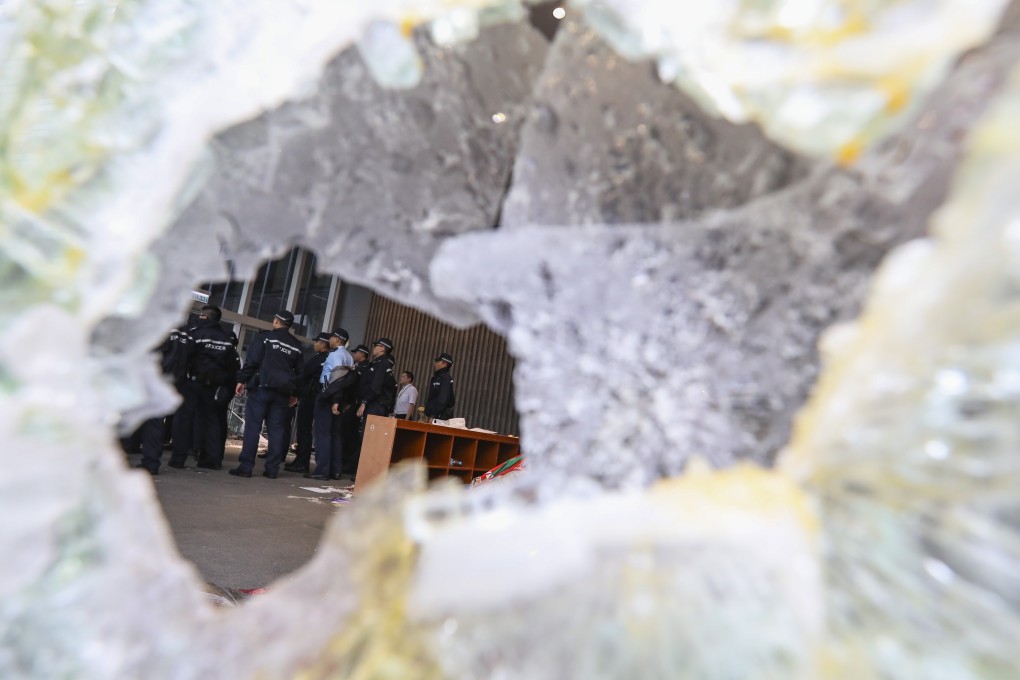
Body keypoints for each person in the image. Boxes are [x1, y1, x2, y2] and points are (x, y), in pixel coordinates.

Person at [230, 310, 303, 479]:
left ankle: (246, 467)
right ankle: (272, 470)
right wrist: (296, 394)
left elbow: (252, 360)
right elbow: (300, 373)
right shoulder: (297, 346)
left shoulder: (266, 337)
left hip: (261, 389)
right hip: (283, 393)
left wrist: (242, 380)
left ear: (276, 321)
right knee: (277, 431)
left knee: (252, 428)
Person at [169, 305, 236, 470]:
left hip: (193, 382)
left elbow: (184, 359)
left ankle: (178, 459)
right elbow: (231, 367)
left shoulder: (196, 334)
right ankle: (213, 460)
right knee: (211, 421)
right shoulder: (226, 339)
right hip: (214, 387)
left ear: (205, 317)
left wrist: (179, 380)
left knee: (183, 419)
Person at [307, 328, 355, 480]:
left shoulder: (335, 355)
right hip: (339, 398)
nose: (329, 340)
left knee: (323, 435)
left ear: (337, 339)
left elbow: (334, 380)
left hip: (329, 397)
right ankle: (335, 470)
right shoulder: (349, 356)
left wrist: (329, 397)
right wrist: (341, 401)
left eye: (332, 337)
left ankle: (322, 471)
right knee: (335, 434)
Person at [286, 332, 331, 473]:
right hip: (317, 398)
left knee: (304, 429)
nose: (314, 344)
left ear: (323, 344)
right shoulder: (329, 359)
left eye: (317, 342)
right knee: (309, 431)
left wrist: (296, 394)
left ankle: (302, 462)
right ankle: (301, 461)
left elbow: (304, 375)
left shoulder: (318, 359)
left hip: (310, 397)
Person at [356, 338, 397, 421]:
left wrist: (364, 402)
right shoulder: (377, 363)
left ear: (382, 348)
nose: (374, 348)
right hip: (374, 404)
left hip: (375, 405)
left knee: (369, 432)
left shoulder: (382, 363)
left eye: (376, 346)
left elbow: (376, 385)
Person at [424, 352, 456, 422]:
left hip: (440, 417)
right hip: (433, 416)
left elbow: (443, 399)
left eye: (438, 361)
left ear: (445, 364)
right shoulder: (437, 377)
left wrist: (434, 415)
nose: (435, 363)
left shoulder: (446, 378)